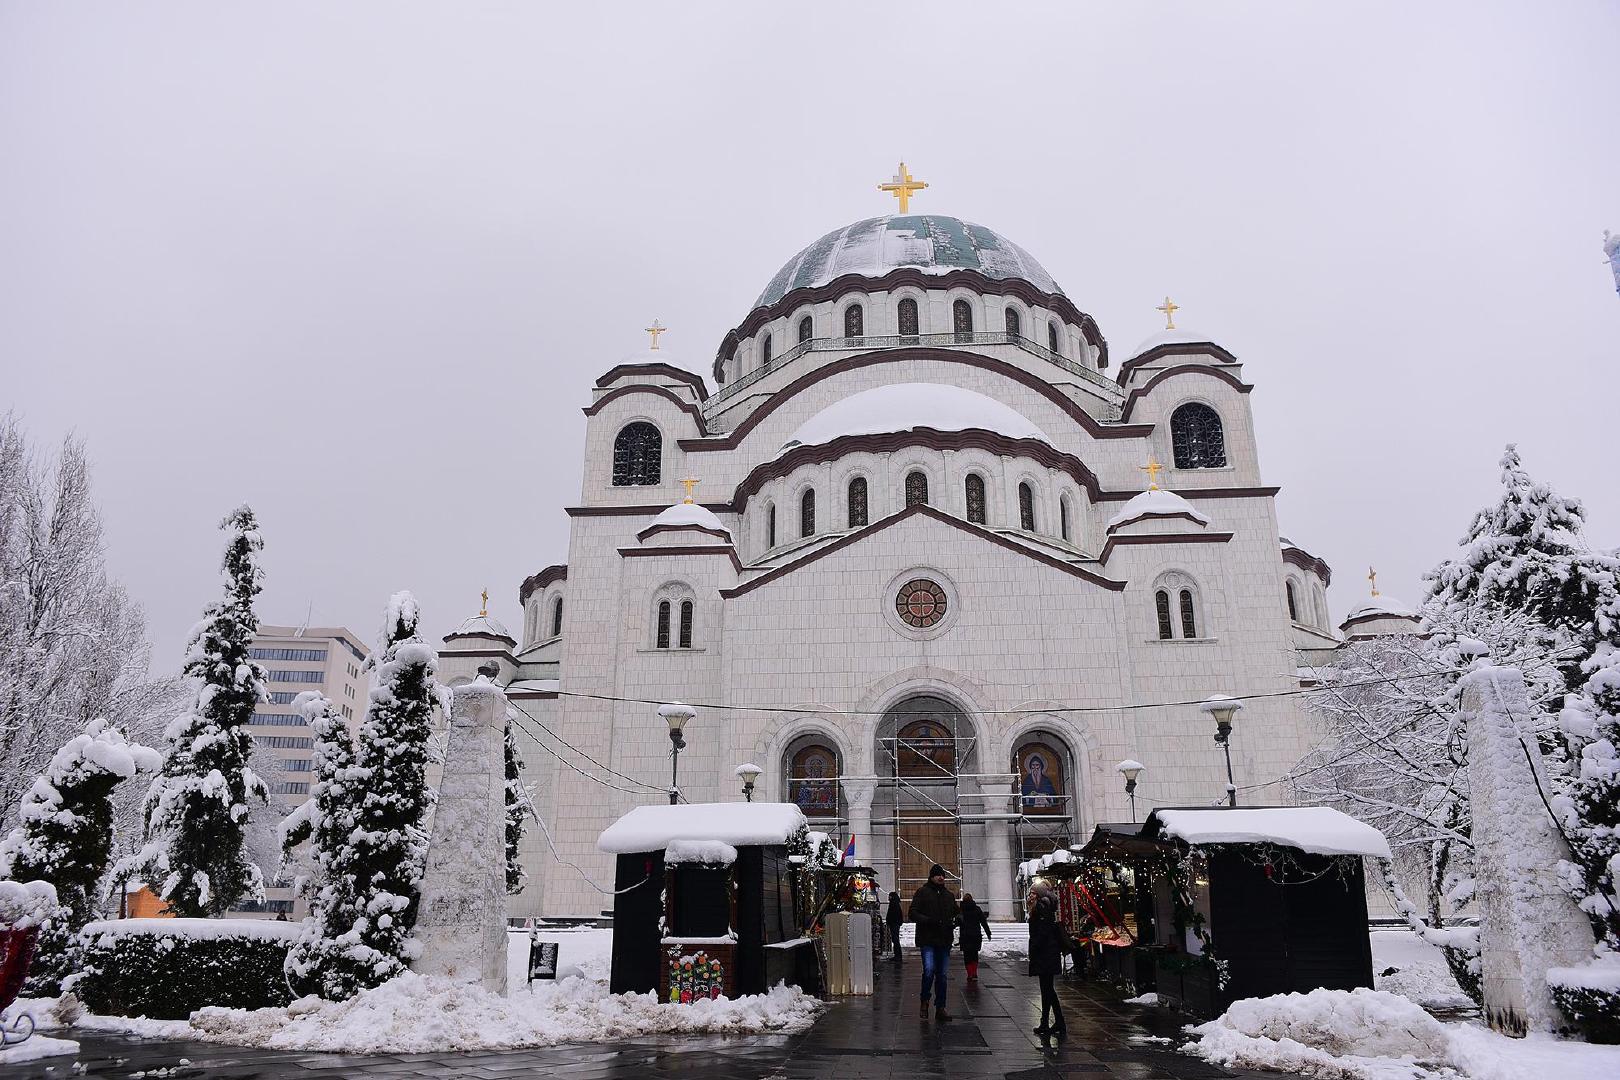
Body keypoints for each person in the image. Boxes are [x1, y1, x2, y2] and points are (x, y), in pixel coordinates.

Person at [910, 863, 959, 1022]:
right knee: (929, 971)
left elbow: (957, 913)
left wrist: (958, 920)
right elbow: (912, 913)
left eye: (942, 875)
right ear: (931, 876)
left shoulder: (948, 895)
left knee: (942, 976)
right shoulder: (922, 892)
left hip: (944, 940)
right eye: (938, 875)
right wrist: (928, 921)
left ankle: (940, 1007)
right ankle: (924, 1001)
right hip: (928, 939)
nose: (941, 877)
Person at [1027, 886, 1067, 1038]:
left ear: (1038, 895)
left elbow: (1043, 932)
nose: (1029, 895)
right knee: (1047, 990)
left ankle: (1054, 1022)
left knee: (1047, 990)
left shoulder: (1041, 907)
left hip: (1045, 954)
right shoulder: (1042, 906)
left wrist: (1035, 946)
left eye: (1032, 893)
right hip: (1047, 953)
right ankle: (1053, 1021)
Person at [958, 892, 992, 986]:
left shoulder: (961, 911)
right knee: (974, 955)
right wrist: (988, 933)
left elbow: (957, 922)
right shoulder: (977, 909)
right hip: (975, 935)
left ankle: (969, 974)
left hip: (965, 936)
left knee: (967, 956)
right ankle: (974, 972)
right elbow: (983, 922)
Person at [885, 891, 904, 962]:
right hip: (895, 923)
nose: (888, 897)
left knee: (895, 939)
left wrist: (889, 921)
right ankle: (897, 955)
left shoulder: (893, 904)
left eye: (890, 896)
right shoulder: (896, 903)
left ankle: (898, 956)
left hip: (894, 923)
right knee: (895, 939)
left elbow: (892, 914)